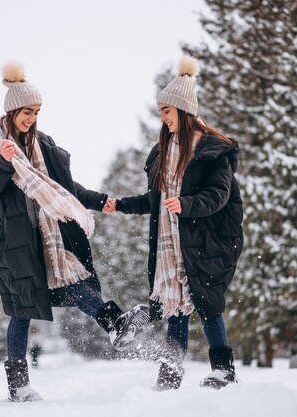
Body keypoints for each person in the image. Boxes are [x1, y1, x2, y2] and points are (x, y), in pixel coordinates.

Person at [0, 62, 148, 402]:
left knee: (75, 282)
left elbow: (65, 188)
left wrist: (100, 200)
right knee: (21, 310)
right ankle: (18, 385)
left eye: (36, 112)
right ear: (12, 110)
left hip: (50, 240)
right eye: (26, 112)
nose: (31, 119)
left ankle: (115, 323)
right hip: (14, 244)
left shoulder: (42, 145)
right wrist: (4, 163)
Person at [111, 56, 243, 389]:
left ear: (182, 111)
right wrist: (119, 205)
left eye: (166, 111)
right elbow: (153, 202)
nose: (163, 118)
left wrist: (184, 204)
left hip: (208, 240)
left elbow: (218, 196)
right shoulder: (162, 153)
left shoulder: (213, 151)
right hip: (174, 244)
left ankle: (223, 371)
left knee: (207, 303)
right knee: (177, 307)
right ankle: (170, 376)